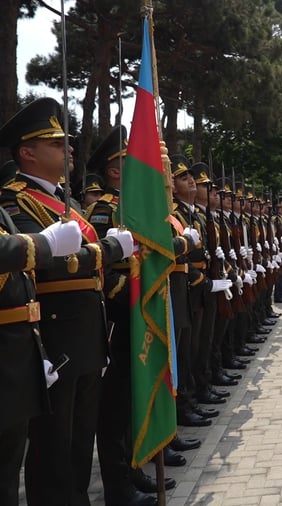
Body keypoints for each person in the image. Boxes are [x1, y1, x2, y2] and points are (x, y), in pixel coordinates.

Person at [0, 97, 134, 505]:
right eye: (57, 143)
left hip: (87, 333)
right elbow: (49, 262)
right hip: (56, 334)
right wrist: (108, 251)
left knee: (80, 442)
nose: (69, 149)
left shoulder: (69, 203)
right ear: (27, 152)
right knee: (54, 449)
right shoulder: (14, 201)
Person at [0, 191, 82, 505]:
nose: (69, 150)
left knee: (8, 470)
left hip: (19, 347)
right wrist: (44, 242)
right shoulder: (17, 200)